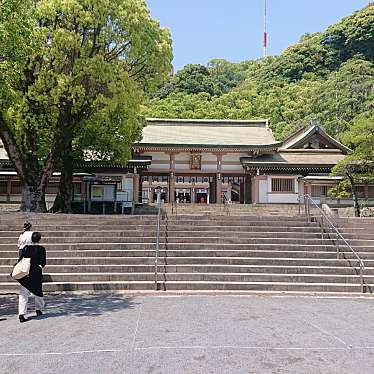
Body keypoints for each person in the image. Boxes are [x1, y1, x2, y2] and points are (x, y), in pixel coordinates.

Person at [17, 232, 46, 323]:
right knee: (38, 292)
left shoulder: (26, 248)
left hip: (26, 274)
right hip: (36, 273)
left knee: (23, 294)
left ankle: (21, 314)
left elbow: (20, 259)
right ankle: (38, 309)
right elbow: (43, 262)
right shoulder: (41, 249)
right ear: (39, 239)